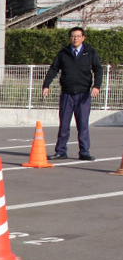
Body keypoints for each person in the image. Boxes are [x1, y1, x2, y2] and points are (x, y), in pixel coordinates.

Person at [42, 27, 102, 161]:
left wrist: (96, 86)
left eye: (78, 36)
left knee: (83, 124)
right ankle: (61, 151)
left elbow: (98, 69)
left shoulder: (90, 52)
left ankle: (84, 151)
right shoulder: (63, 53)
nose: (75, 38)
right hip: (67, 94)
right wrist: (46, 85)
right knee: (64, 124)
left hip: (83, 94)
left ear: (83, 38)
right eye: (73, 36)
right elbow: (53, 69)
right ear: (70, 38)